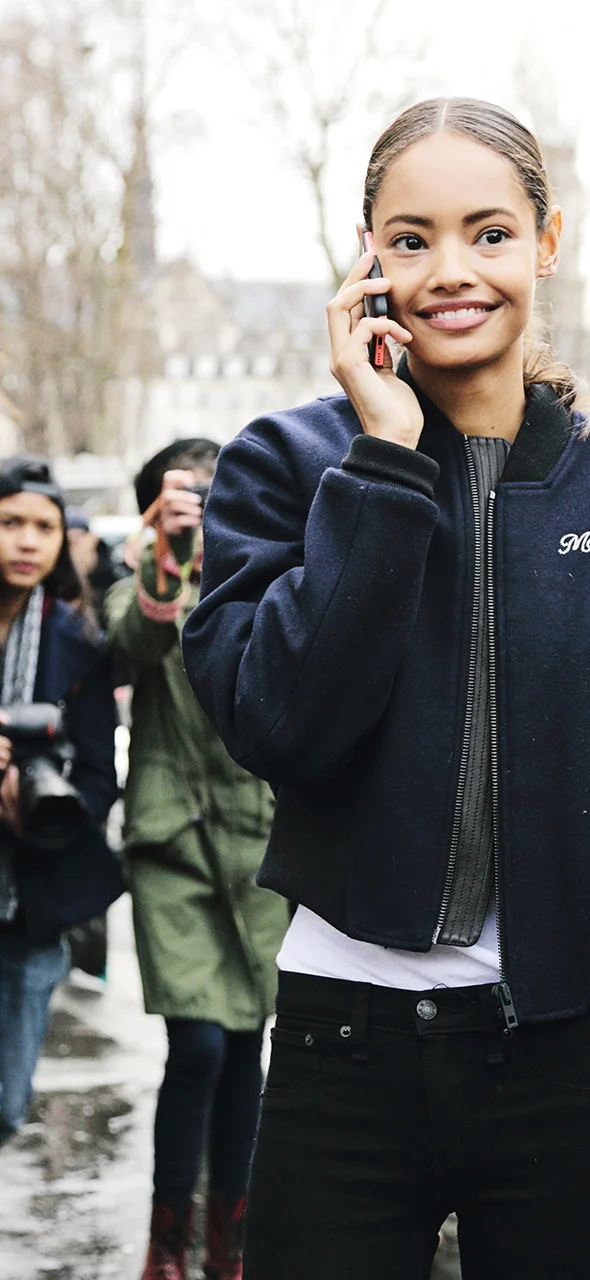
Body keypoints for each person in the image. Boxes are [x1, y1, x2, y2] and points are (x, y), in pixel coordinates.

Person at [182, 98, 590, 1280]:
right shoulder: (286, 468)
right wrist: (385, 464)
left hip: (572, 1063)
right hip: (335, 1056)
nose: (450, 270)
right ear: (364, 261)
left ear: (547, 241)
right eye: (409, 239)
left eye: (489, 232)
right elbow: (279, 723)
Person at [105, 439, 289, 1280]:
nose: (199, 509)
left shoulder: (259, 578)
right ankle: (165, 1246)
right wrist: (162, 556)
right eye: (180, 498)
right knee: (202, 1046)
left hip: (256, 849)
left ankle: (229, 1245)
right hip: (174, 847)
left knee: (245, 1047)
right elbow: (133, 643)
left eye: (211, 494)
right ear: (152, 509)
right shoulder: (145, 584)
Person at [0, 456, 118, 1144]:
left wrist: (40, 808)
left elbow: (101, 779)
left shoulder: (81, 644)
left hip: (29, 902)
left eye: (43, 527)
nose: (27, 541)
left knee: (7, 1107)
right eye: (10, 522)